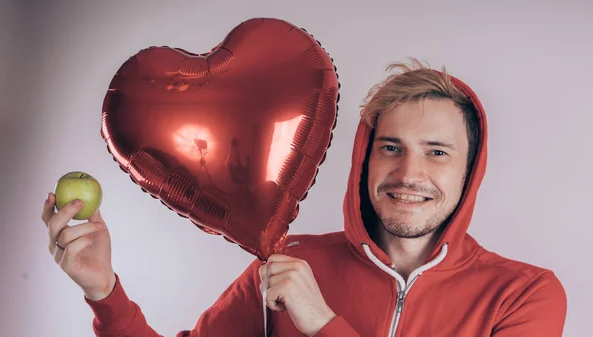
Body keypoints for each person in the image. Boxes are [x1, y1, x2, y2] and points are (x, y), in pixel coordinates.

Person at [41, 59, 567, 337]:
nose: (410, 173)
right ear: (365, 158)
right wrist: (103, 291)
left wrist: (320, 322)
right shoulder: (287, 265)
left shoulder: (524, 295)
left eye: (436, 152)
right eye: (391, 148)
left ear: (469, 169)